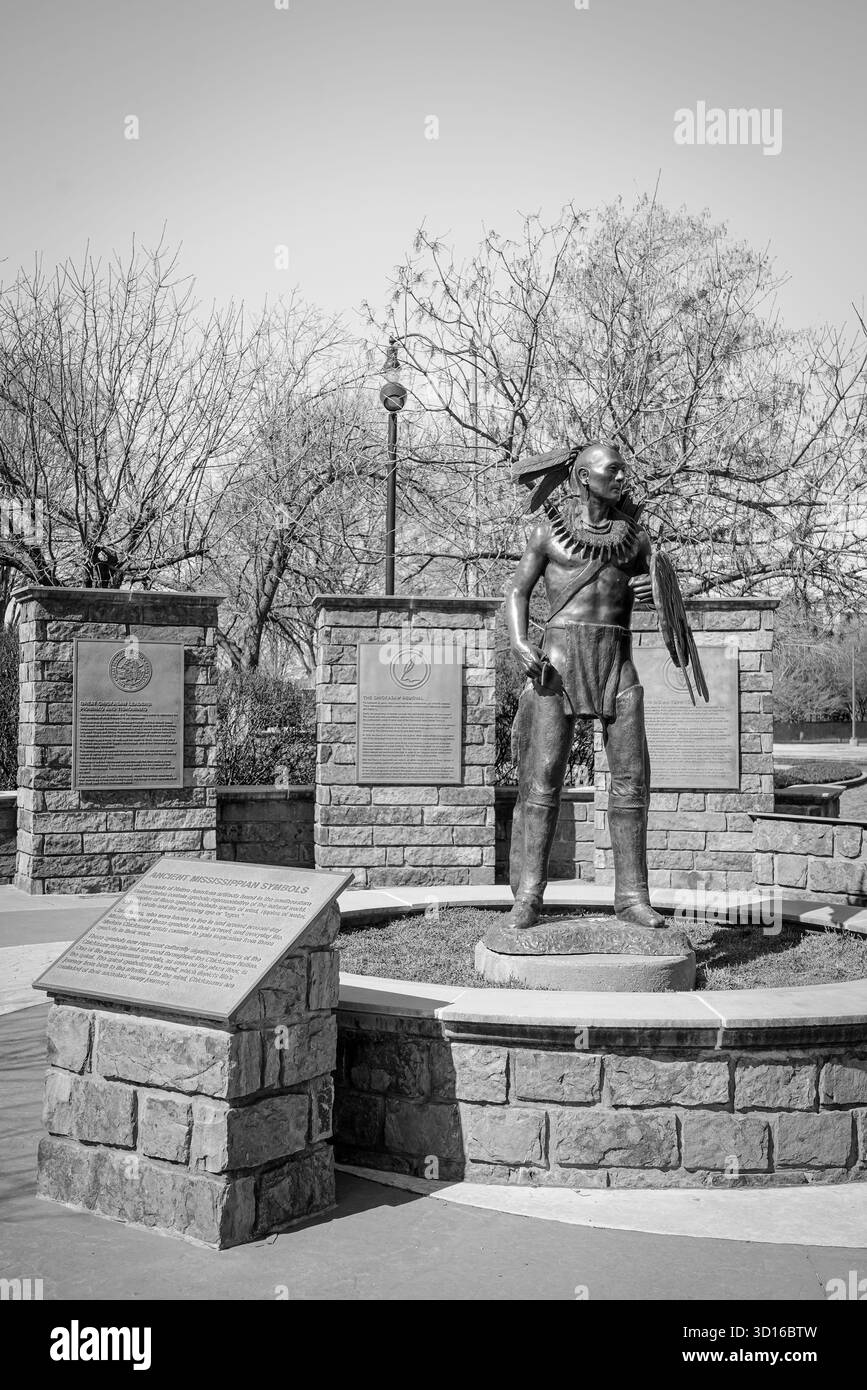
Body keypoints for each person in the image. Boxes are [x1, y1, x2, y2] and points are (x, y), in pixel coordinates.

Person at [505, 439, 706, 930]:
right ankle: (529, 896)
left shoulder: (635, 540)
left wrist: (655, 586)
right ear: (584, 478)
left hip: (616, 659)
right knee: (543, 778)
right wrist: (519, 642)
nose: (621, 479)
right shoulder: (547, 532)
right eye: (612, 471)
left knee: (632, 779)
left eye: (622, 472)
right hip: (559, 660)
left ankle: (633, 897)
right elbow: (517, 591)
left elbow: (666, 597)